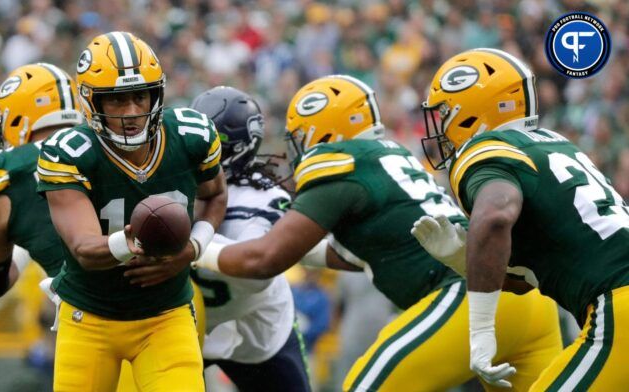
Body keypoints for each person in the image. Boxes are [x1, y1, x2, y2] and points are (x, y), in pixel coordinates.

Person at [193, 74, 562, 391]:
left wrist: (193, 245)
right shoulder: (389, 158)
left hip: (470, 294)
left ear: (322, 132)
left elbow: (263, 259)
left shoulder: (343, 165)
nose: (299, 150)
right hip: (527, 299)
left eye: (301, 138)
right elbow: (362, 252)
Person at [416, 47, 629, 391]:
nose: (440, 126)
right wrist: (462, 259)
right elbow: (528, 280)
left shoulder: (486, 150)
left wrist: (481, 329)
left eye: (444, 113)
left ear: (471, 110)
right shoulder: (554, 143)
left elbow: (497, 214)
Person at [36, 31, 227, 391]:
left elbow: (215, 196)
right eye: (117, 101)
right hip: (89, 317)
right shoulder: (70, 152)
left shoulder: (191, 135)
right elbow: (85, 249)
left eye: (140, 97)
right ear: (92, 102)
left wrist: (191, 249)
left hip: (165, 316)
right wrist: (137, 244)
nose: (132, 113)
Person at [187, 86, 310, 392]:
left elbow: (255, 270)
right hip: (182, 326)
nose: (191, 151)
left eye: (205, 143)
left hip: (256, 326)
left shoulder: (263, 198)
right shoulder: (166, 184)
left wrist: (188, 244)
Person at [0, 63, 83, 303]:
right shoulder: (113, 141)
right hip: (170, 308)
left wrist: (21, 242)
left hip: (87, 324)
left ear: (16, 116)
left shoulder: (7, 171)